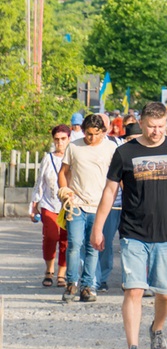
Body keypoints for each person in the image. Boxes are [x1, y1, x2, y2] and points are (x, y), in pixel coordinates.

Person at [91, 102, 167, 349]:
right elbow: (110, 191)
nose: (156, 132)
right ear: (141, 123)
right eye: (151, 126)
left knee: (165, 292)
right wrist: (98, 227)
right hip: (133, 232)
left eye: (161, 126)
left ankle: (157, 328)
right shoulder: (125, 152)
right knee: (134, 290)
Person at [58, 115, 118, 302]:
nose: (92, 138)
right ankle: (71, 283)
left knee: (93, 247)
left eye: (96, 134)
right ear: (83, 131)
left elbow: (118, 176)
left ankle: (87, 286)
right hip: (76, 205)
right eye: (88, 134)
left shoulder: (111, 148)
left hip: (99, 206)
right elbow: (63, 172)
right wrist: (65, 190)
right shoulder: (74, 147)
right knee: (74, 244)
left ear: (103, 132)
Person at [30, 125, 70, 288]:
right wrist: (34, 205)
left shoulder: (74, 157)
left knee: (66, 239)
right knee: (51, 236)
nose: (60, 142)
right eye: (57, 139)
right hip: (49, 203)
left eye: (63, 139)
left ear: (69, 139)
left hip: (68, 205)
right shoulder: (48, 158)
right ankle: (49, 269)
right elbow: (40, 182)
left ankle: (62, 273)